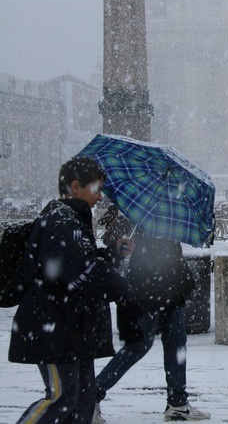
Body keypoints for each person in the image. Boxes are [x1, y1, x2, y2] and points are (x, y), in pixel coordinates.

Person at [9, 156, 136, 423]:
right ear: (76, 186)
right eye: (97, 189)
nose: (100, 197)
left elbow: (79, 262)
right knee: (62, 397)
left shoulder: (72, 218)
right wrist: (120, 288)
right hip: (54, 325)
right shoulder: (61, 219)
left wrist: (110, 254)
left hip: (72, 327)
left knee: (82, 401)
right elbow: (78, 271)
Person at [94, 232, 210, 422]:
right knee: (138, 347)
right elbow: (147, 262)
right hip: (150, 293)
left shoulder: (167, 222)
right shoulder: (152, 222)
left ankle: (177, 402)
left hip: (171, 291)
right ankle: (92, 393)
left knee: (177, 346)